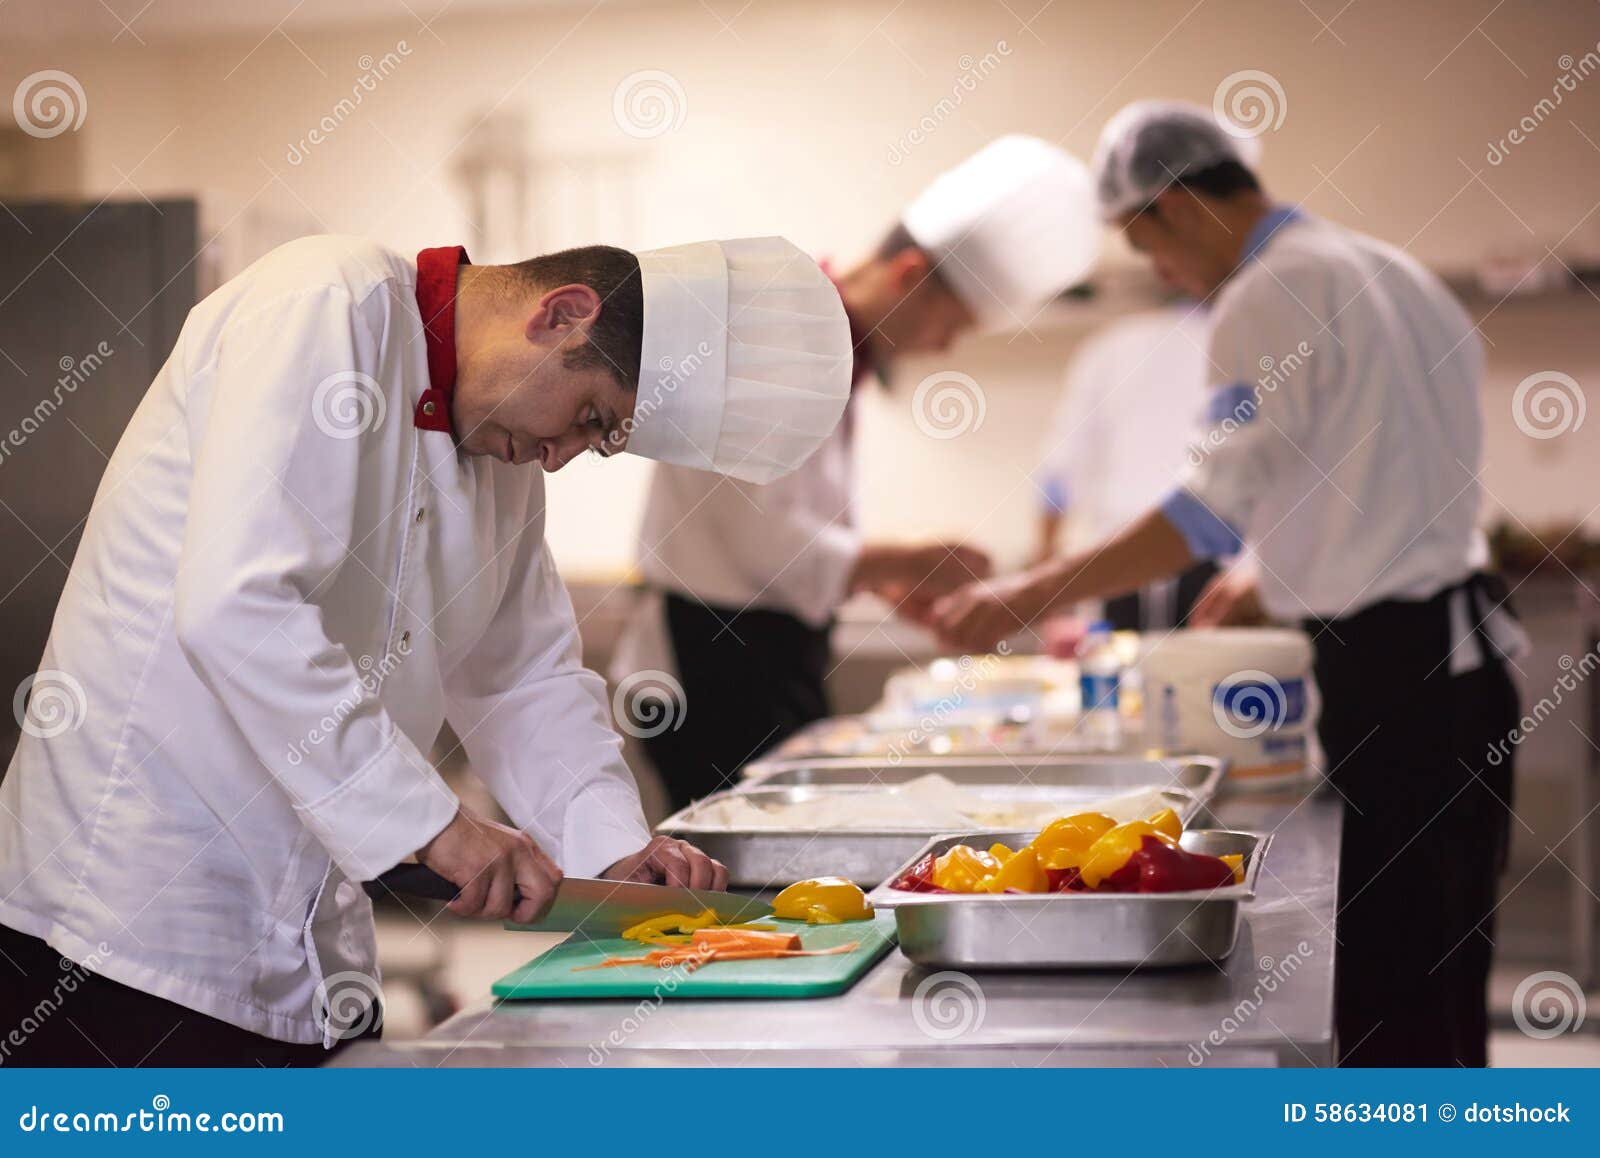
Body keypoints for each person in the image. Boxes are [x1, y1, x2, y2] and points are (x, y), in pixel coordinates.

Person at [0, 233, 853, 1065]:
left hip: (300, 947)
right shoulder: (326, 305)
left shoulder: (503, 455)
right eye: (590, 416)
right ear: (562, 315)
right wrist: (436, 825)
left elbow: (522, 676)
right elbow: (238, 606)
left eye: (600, 442)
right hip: (118, 931)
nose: (560, 460)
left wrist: (613, 855)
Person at [931, 101, 1526, 1066]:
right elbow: (1375, 468)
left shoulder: (1266, 294)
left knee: (1385, 987)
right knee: (1444, 983)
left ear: (1173, 207)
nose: (1161, 273)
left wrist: (1024, 596)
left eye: (1145, 245)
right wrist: (1277, 562)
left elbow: (1203, 511)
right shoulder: (1393, 270)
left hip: (1393, 670)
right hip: (1465, 662)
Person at [612, 136, 1102, 811]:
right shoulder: (776, 333)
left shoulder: (835, 350)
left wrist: (888, 578)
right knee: (739, 903)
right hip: (710, 662)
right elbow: (755, 537)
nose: (945, 347)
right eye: (952, 324)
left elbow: (795, 525)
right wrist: (912, 556)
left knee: (786, 895)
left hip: (767, 654)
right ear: (906, 275)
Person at [1031, 303, 1221, 631]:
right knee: (1208, 675)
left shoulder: (1108, 346)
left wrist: (1044, 575)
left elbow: (1058, 470)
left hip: (1119, 560)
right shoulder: (1232, 338)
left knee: (1120, 678)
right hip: (1210, 562)